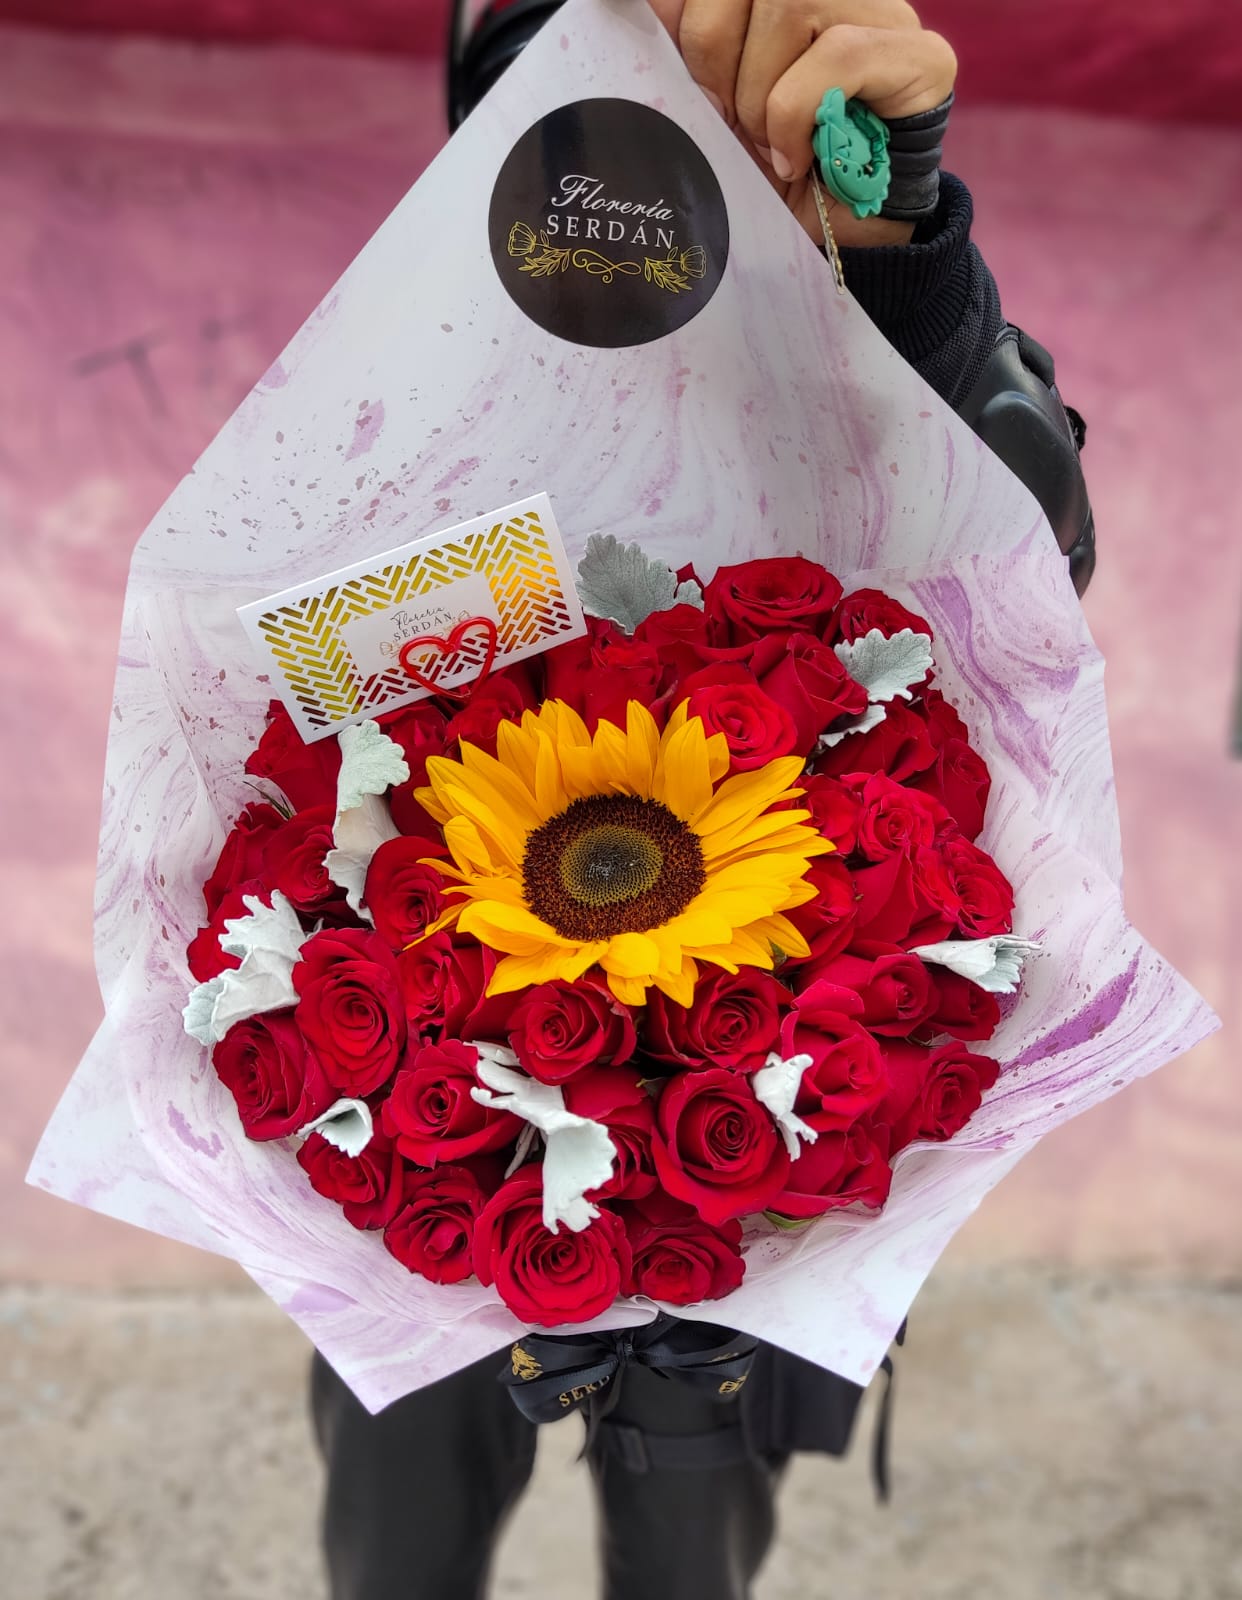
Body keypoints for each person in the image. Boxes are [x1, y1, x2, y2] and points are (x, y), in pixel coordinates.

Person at [311, 3, 1096, 1597]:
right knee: (400, 1525)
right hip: (436, 1096)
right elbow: (298, 685)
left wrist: (897, 248)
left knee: (688, 1539)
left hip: (750, 1120)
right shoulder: (395, 373)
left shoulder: (848, 349)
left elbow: (1023, 550)